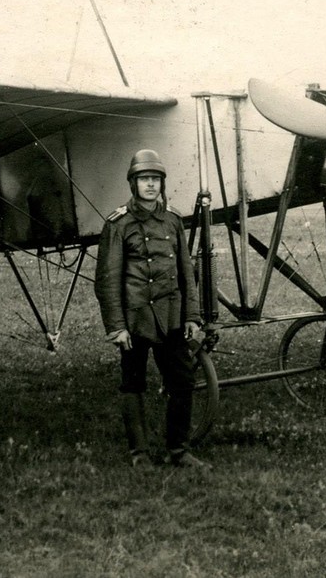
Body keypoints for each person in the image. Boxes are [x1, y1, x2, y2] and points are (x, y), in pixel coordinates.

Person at [94, 149, 207, 468]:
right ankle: (139, 454)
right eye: (144, 179)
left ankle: (178, 450)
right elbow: (107, 280)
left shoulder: (173, 219)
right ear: (133, 183)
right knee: (133, 383)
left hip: (170, 317)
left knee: (182, 382)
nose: (150, 185)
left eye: (155, 179)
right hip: (135, 319)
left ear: (162, 183)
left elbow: (186, 273)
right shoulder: (118, 224)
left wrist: (191, 316)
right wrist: (117, 327)